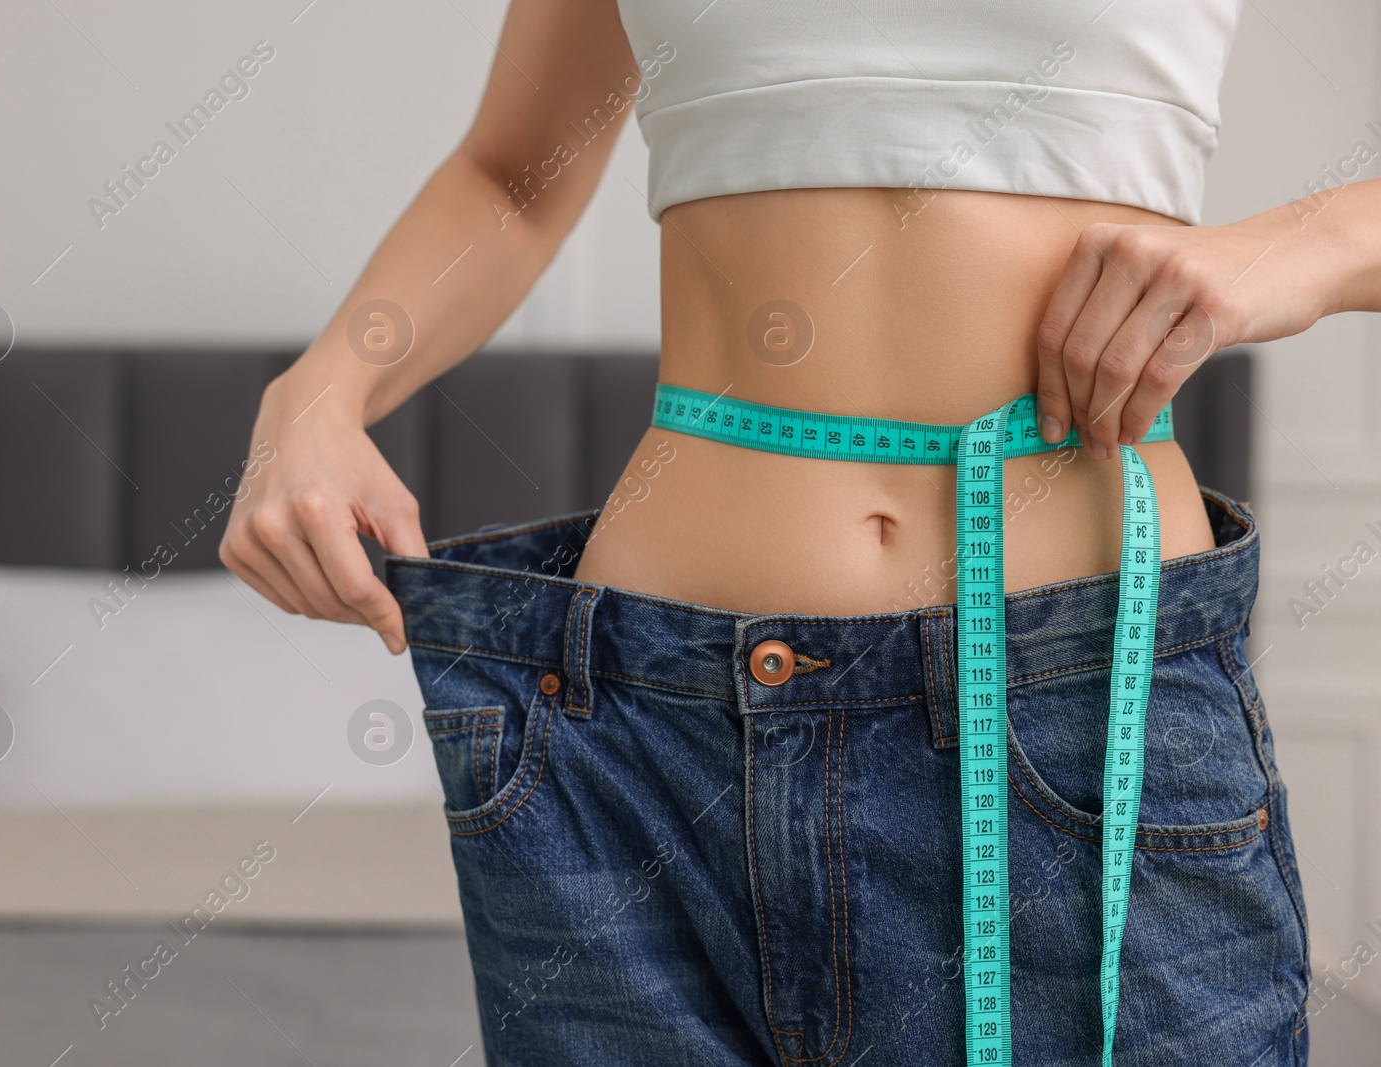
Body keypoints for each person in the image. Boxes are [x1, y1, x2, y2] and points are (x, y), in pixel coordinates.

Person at [223, 2, 1376, 1062]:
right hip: (641, 740)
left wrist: (1309, 243)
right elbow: (511, 175)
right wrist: (318, 391)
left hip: (1076, 705)